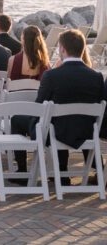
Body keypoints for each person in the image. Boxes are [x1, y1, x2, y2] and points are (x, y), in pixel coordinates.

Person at [11, 30, 105, 176]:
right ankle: (67, 173)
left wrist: (34, 127)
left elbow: (39, 106)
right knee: (61, 121)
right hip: (86, 132)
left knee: (17, 119)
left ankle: (22, 172)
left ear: (62, 49)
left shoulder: (52, 75)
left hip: (56, 133)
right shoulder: (97, 77)